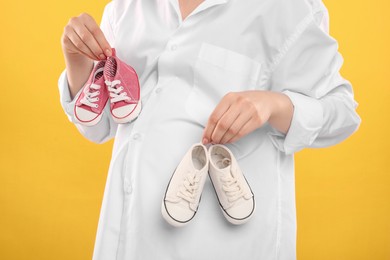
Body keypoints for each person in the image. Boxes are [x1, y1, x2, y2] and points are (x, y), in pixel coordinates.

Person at [58, 0, 361, 259]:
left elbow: (343, 111)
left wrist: (274, 105)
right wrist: (76, 59)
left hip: (223, 242)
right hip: (128, 232)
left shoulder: (286, 8)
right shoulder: (128, 7)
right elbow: (100, 127)